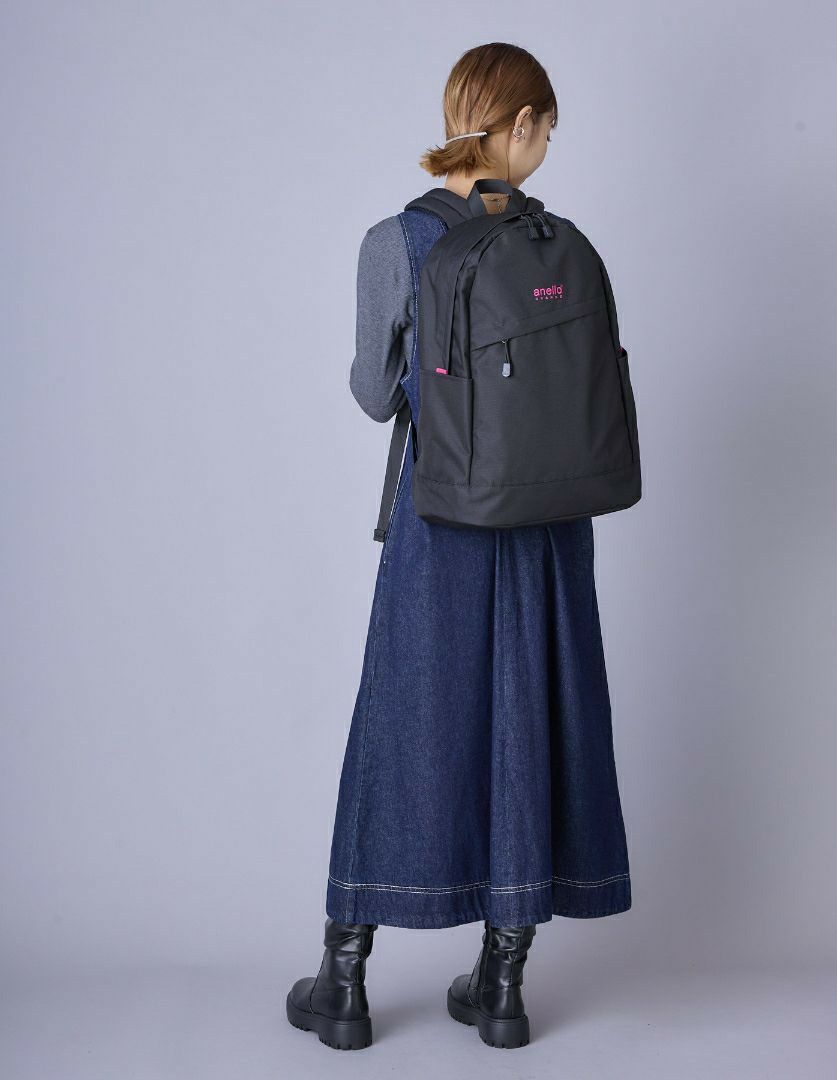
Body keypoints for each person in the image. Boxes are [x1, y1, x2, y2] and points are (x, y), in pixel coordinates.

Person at [285, 41, 632, 1052]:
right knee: (528, 723)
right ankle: (501, 987)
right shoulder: (550, 239)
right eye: (548, 128)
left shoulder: (398, 239)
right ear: (518, 124)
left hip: (444, 521)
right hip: (549, 528)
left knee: (404, 721)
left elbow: (371, 393)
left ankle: (344, 982)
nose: (549, 146)